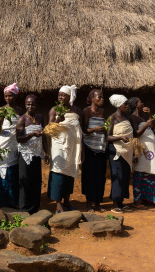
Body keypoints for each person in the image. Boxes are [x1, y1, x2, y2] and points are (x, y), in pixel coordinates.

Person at [47, 85, 82, 214]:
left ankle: (67, 201)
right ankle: (58, 204)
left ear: (70, 97)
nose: (60, 97)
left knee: (70, 172)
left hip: (72, 147)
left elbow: (80, 131)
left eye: (63, 95)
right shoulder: (54, 110)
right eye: (59, 95)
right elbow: (49, 129)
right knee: (58, 172)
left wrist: (81, 150)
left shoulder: (76, 110)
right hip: (59, 147)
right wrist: (57, 119)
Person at [129, 97, 155, 207]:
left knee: (152, 172)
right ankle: (138, 200)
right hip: (142, 150)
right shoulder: (133, 118)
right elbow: (135, 134)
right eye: (140, 101)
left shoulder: (142, 117)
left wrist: (149, 116)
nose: (143, 103)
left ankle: (151, 199)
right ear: (135, 104)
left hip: (152, 149)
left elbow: (151, 127)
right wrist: (146, 124)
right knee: (140, 172)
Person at [16, 94, 45, 214]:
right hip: (25, 155)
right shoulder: (22, 119)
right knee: (25, 181)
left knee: (36, 181)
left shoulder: (40, 118)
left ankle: (34, 207)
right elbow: (18, 138)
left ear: (36, 105)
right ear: (25, 105)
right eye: (28, 104)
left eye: (32, 104)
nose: (30, 106)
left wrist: (46, 152)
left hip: (37, 154)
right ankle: (24, 208)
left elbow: (44, 136)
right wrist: (32, 134)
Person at [0, 83, 22, 209]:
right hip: (4, 144)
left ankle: (14, 201)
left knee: (14, 173)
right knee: (4, 172)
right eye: (6, 96)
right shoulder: (1, 110)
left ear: (15, 96)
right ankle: (4, 202)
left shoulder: (19, 110)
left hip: (15, 145)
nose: (8, 98)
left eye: (10, 96)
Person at [81, 89, 107, 211]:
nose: (102, 99)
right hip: (89, 148)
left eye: (102, 97)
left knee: (100, 176)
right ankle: (88, 203)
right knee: (89, 176)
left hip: (101, 148)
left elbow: (105, 127)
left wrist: (104, 130)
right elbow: (84, 130)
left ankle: (98, 203)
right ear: (92, 99)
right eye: (99, 97)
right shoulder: (86, 111)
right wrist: (95, 129)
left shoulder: (102, 111)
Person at [106, 94, 133, 213]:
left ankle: (121, 202)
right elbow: (106, 137)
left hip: (127, 151)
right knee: (118, 176)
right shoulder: (111, 118)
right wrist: (120, 137)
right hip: (115, 151)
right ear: (118, 105)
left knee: (125, 176)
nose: (127, 106)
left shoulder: (126, 117)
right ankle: (115, 203)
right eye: (125, 104)